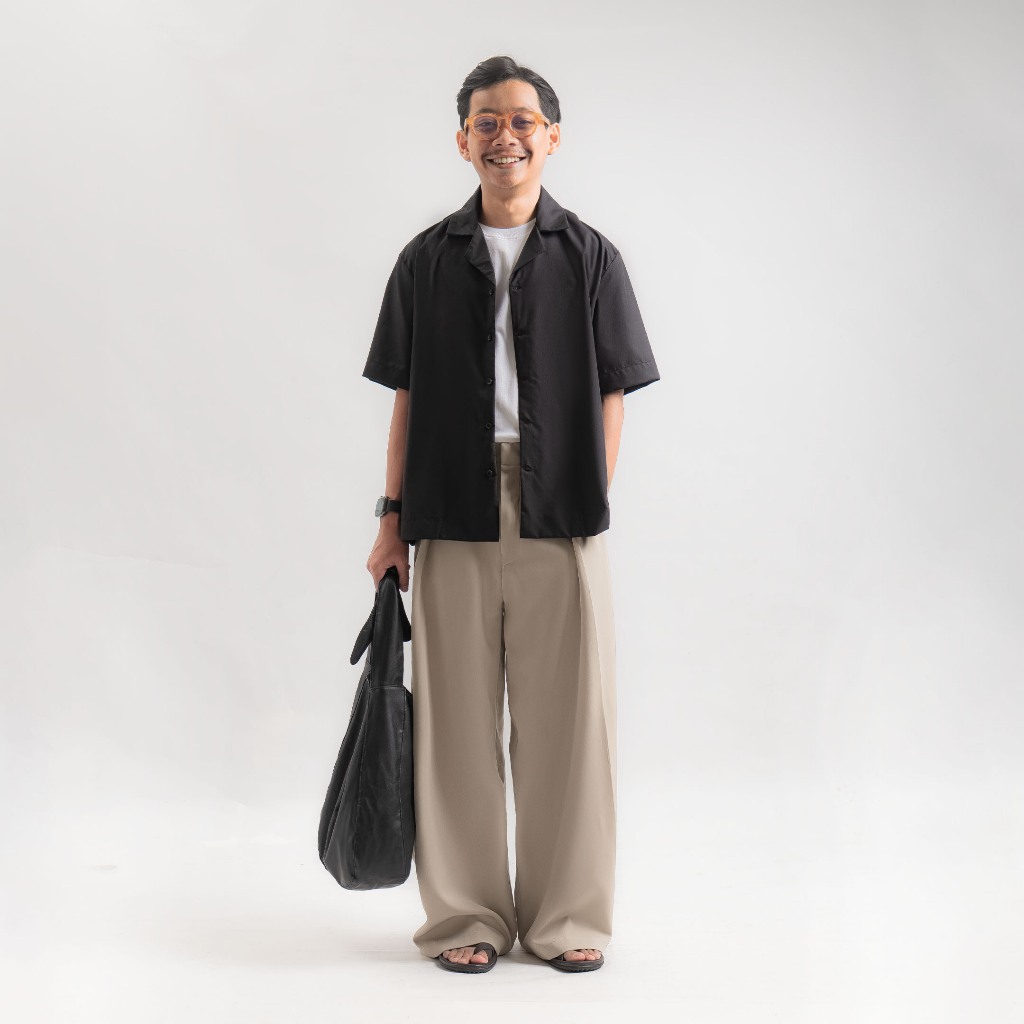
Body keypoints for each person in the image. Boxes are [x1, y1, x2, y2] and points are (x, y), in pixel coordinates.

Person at [362, 55, 660, 973]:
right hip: (448, 504)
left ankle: (567, 919)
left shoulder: (591, 256)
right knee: (453, 724)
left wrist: (586, 494)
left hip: (559, 509)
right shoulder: (425, 259)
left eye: (522, 121)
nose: (506, 136)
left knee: (571, 724)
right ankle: (467, 917)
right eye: (486, 122)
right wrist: (389, 521)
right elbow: (406, 399)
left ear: (552, 137)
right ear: (463, 141)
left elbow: (613, 392)